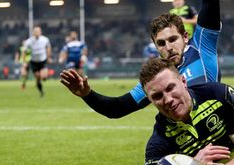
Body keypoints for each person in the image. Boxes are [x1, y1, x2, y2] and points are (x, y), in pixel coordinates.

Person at [60, 0, 221, 119]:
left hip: (223, 133)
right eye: (161, 43)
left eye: (173, 39)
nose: (168, 47)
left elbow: (210, 5)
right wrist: (87, 94)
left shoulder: (201, 46)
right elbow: (117, 108)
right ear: (155, 46)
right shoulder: (156, 77)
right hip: (189, 149)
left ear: (185, 37)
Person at [23, 26, 52, 97]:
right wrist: (25, 62)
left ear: (40, 32)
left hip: (42, 61)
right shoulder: (29, 41)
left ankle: (44, 77)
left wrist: (48, 57)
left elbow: (48, 48)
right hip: (34, 62)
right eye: (35, 31)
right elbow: (25, 51)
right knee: (38, 78)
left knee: (43, 77)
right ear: (33, 32)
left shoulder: (45, 39)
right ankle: (41, 92)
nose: (37, 33)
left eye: (38, 31)